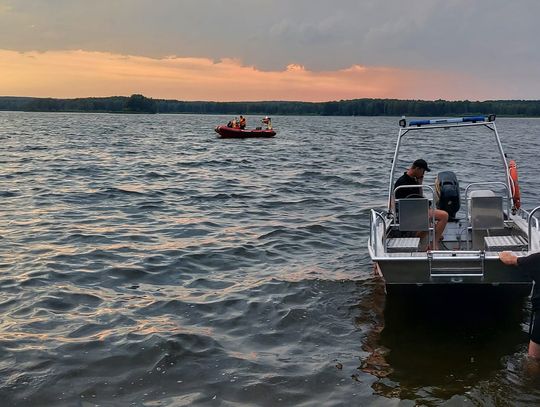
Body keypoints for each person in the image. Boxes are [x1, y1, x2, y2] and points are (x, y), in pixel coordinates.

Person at [393, 159, 448, 250]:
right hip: (410, 212)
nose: (423, 174)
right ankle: (432, 242)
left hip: (416, 209)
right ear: (417, 169)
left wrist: (420, 184)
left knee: (439, 217)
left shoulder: (414, 180)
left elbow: (419, 197)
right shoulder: (403, 182)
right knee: (443, 216)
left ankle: (433, 240)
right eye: (423, 171)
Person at [499, 251, 540, 360]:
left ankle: (532, 376)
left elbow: (508, 259)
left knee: (533, 359)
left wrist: (502, 254)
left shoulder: (535, 260)